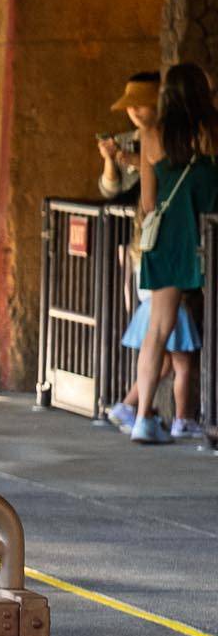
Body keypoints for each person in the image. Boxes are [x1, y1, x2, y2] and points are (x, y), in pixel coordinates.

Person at [109, 62, 218, 445]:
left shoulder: (151, 135)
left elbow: (149, 201)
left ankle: (142, 418)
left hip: (170, 242)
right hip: (210, 235)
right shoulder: (210, 131)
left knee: (157, 330)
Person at [95, 69, 158, 200]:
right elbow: (109, 192)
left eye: (140, 103)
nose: (133, 109)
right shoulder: (122, 141)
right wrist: (109, 159)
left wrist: (140, 163)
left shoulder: (171, 140)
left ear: (158, 104)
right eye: (129, 104)